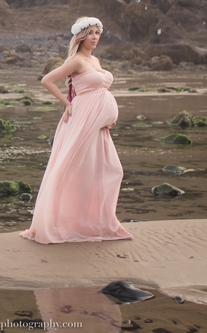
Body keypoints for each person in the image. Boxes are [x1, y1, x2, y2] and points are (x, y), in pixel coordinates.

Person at [20, 17, 133, 244]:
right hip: (82, 121)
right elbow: (47, 80)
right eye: (90, 33)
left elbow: (99, 91)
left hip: (98, 127)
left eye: (97, 33)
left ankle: (96, 222)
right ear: (80, 36)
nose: (95, 37)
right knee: (72, 170)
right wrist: (67, 102)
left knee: (107, 170)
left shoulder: (95, 60)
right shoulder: (76, 61)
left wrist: (106, 116)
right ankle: (62, 222)